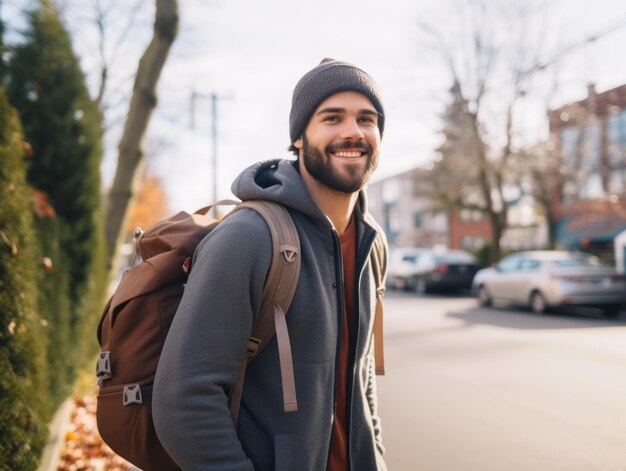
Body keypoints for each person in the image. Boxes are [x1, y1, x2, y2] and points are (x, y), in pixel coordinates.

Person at [153, 58, 388, 471]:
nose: (353, 131)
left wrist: (377, 457)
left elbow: (361, 375)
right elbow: (182, 400)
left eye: (366, 119)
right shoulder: (249, 238)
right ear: (299, 138)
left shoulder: (372, 241)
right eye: (332, 118)